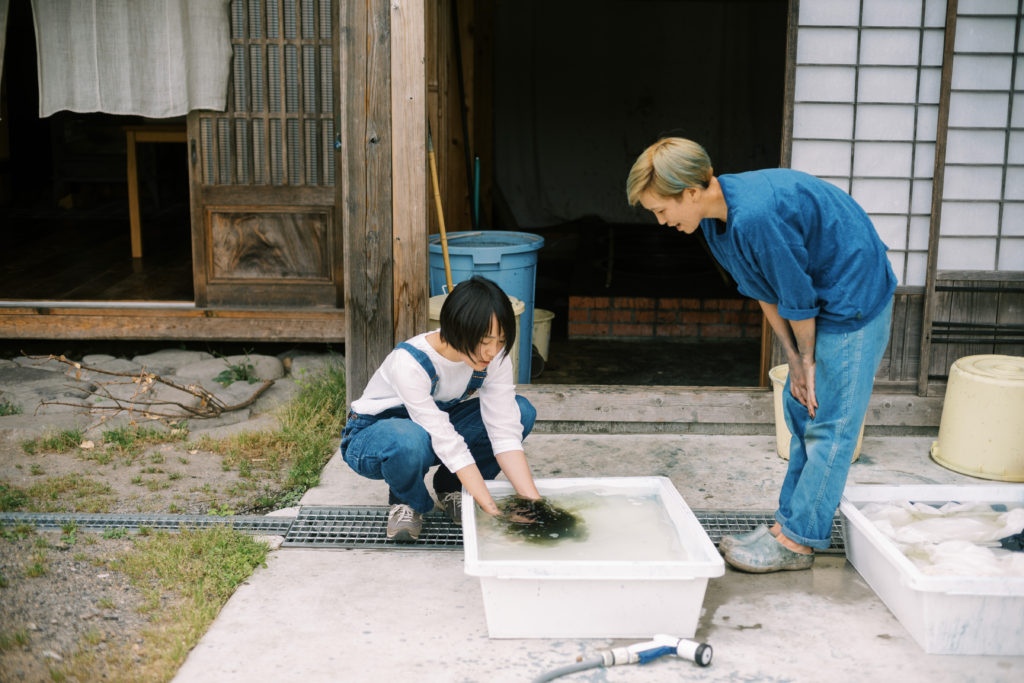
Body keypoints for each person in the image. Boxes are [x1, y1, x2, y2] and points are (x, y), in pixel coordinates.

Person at [626, 137, 896, 573]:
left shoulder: (755, 216)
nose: (661, 222)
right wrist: (792, 357)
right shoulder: (714, 219)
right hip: (814, 289)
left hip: (852, 290)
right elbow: (763, 291)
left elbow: (798, 298)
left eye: (661, 210)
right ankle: (785, 526)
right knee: (799, 408)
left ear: (691, 193)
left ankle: (799, 542)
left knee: (829, 424)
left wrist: (808, 362)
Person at [340, 275, 542, 541]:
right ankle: (407, 502)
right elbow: (446, 441)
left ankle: (453, 489)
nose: (493, 351)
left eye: (501, 341)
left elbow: (504, 433)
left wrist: (535, 504)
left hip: (433, 428)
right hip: (375, 437)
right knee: (409, 438)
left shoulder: (494, 359)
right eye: (485, 340)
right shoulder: (409, 362)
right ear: (456, 328)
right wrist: (491, 509)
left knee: (521, 412)